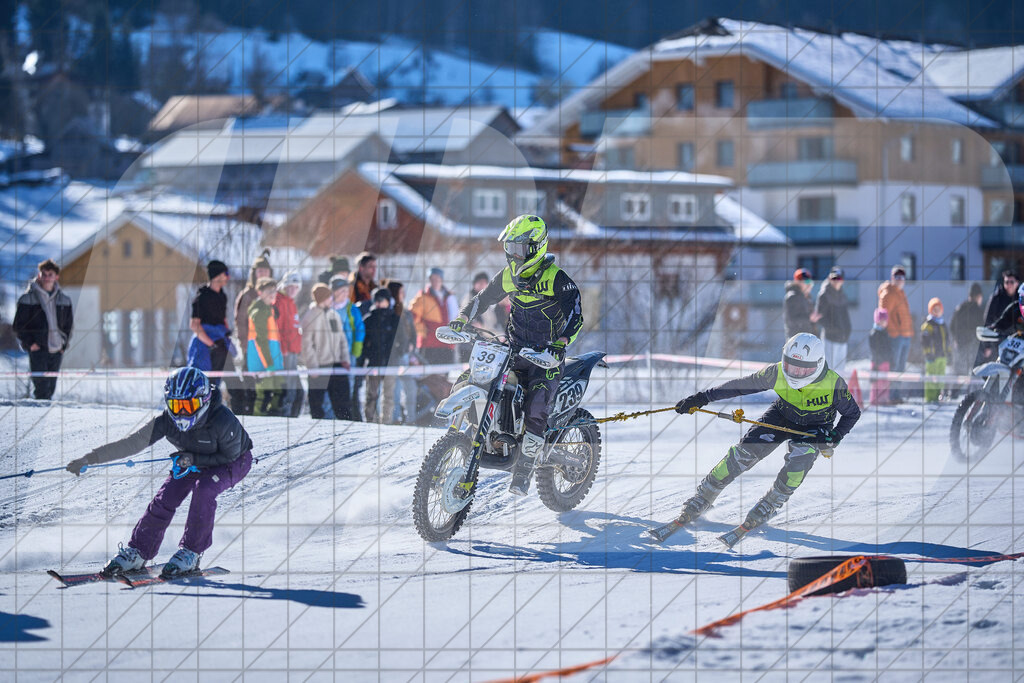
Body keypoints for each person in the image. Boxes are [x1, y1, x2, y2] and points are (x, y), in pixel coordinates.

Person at [64, 367, 253, 578]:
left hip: (234, 461)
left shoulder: (221, 420)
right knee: (166, 496)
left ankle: (191, 552)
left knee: (205, 489)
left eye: (188, 405)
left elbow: (230, 456)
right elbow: (132, 443)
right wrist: (90, 458)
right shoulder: (166, 421)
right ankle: (138, 551)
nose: (181, 412)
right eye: (176, 405)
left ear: (203, 400)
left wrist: (193, 459)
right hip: (193, 457)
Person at [449, 214, 584, 496]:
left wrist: (560, 342)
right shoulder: (509, 275)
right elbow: (483, 299)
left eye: (518, 249)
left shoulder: (557, 279)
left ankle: (523, 471)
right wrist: (462, 318)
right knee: (472, 377)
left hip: (545, 356)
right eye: (509, 248)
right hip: (513, 347)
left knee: (536, 407)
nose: (512, 254)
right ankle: (460, 436)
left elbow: (576, 315)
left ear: (536, 248)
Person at [672, 333, 861, 531]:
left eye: (803, 369)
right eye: (790, 366)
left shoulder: (834, 384)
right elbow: (740, 386)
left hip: (816, 426)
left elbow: (852, 414)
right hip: (781, 415)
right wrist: (702, 398)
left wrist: (836, 435)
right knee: (743, 454)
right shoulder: (776, 373)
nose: (795, 373)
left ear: (819, 364)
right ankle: (704, 496)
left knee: (800, 461)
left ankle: (771, 502)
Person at [13, 258, 73, 400]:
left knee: (50, 389)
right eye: (43, 274)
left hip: (56, 349)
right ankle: (38, 419)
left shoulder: (64, 300)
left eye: (50, 274)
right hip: (38, 349)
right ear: (39, 275)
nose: (46, 278)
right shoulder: (27, 299)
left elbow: (68, 325)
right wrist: (30, 344)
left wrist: (63, 345)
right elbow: (18, 326)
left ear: (56, 277)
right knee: (41, 391)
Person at [300, 283, 351, 420]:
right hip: (320, 366)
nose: (331, 300)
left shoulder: (333, 315)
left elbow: (341, 339)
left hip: (336, 365)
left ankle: (346, 427)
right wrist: (313, 367)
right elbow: (306, 345)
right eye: (329, 297)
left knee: (342, 402)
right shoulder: (310, 317)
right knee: (317, 404)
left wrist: (345, 359)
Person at [232, 250, 273, 415]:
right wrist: (245, 346)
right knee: (251, 389)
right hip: (251, 348)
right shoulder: (248, 295)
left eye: (265, 271)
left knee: (268, 389)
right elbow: (240, 322)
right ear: (254, 274)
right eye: (259, 271)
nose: (262, 273)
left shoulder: (272, 293)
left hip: (268, 348)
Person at [187, 260, 233, 376]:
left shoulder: (223, 296)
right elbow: (194, 325)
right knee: (203, 379)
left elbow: (223, 320)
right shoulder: (202, 296)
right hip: (204, 344)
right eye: (225, 274)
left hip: (221, 342)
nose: (228, 277)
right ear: (217, 276)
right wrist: (212, 345)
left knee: (230, 375)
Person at [361, 287, 399, 423]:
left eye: (381, 300)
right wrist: (365, 357)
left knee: (388, 395)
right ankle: (370, 421)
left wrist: (397, 356)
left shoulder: (395, 319)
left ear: (388, 301)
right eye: (376, 300)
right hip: (374, 363)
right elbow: (364, 343)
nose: (378, 303)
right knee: (371, 395)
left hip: (391, 363)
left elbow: (402, 342)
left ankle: (386, 423)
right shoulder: (369, 320)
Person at [247, 277, 284, 416]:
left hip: (273, 362)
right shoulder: (259, 312)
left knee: (279, 394)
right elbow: (261, 341)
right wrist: (269, 364)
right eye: (269, 291)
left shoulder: (269, 310)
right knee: (264, 397)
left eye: (274, 291)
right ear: (260, 292)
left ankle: (274, 421)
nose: (272, 294)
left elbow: (273, 341)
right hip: (263, 364)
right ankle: (260, 423)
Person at [409, 267, 459, 365]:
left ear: (442, 279)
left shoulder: (449, 297)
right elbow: (411, 318)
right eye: (432, 278)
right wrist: (423, 331)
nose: (435, 281)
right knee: (428, 377)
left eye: (437, 278)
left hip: (447, 343)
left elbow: (456, 316)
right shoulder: (422, 296)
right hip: (429, 344)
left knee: (444, 376)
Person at [385, 280, 418, 424]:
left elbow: (412, 332)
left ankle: (411, 419)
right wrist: (400, 348)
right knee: (395, 390)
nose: (403, 294)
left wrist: (412, 346)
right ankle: (395, 419)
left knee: (411, 388)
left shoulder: (406, 311)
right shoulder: (390, 311)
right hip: (394, 357)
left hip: (406, 355)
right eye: (400, 292)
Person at [331, 275, 364, 420]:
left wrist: (357, 347)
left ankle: (347, 412)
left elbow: (359, 328)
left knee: (348, 384)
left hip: (349, 352)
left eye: (346, 290)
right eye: (341, 290)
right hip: (331, 353)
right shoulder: (328, 306)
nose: (344, 293)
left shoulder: (352, 308)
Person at [878, 266, 913, 401]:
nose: (900, 280)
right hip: (896, 336)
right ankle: (892, 395)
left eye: (902, 277)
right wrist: (894, 330)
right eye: (897, 277)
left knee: (901, 367)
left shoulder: (901, 293)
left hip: (905, 335)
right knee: (895, 366)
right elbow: (883, 316)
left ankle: (896, 394)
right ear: (892, 278)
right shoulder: (889, 293)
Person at [275, 272, 304, 417]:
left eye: (296, 287)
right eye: (290, 286)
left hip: (293, 352)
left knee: (298, 391)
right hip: (285, 354)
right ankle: (285, 419)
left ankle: (293, 419)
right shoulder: (279, 301)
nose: (293, 290)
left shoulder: (291, 303)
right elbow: (276, 328)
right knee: (289, 391)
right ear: (285, 286)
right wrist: (283, 349)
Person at [814, 267, 851, 376]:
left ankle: (837, 393)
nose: (836, 281)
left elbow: (846, 316)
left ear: (842, 280)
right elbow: (819, 317)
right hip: (830, 338)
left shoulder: (842, 295)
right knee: (829, 369)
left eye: (838, 278)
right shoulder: (824, 294)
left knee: (840, 371)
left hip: (842, 338)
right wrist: (833, 329)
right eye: (833, 278)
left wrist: (847, 331)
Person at [949, 283, 984, 395]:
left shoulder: (960, 307)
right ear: (978, 296)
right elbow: (981, 329)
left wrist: (956, 339)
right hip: (973, 345)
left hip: (960, 344)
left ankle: (953, 393)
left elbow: (952, 326)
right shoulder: (978, 311)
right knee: (974, 372)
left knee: (959, 371)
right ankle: (972, 394)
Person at [978, 270, 1020, 365]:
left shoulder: (1020, 299)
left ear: (1017, 283)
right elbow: (988, 321)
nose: (1009, 285)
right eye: (1006, 282)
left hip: (1017, 342)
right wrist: (987, 345)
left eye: (1011, 282)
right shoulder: (996, 298)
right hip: (998, 341)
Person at [920, 298, 949, 403]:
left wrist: (948, 352)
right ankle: (930, 397)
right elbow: (925, 341)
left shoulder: (943, 324)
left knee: (940, 377)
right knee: (931, 377)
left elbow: (947, 340)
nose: (937, 311)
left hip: (942, 356)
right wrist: (928, 353)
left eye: (938, 309)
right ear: (930, 311)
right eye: (934, 309)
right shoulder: (928, 325)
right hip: (932, 357)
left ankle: (938, 396)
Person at [783, 269, 821, 340]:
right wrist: (809, 318)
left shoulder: (806, 297)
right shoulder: (792, 297)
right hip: (796, 339)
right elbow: (792, 320)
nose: (809, 285)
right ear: (797, 282)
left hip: (806, 338)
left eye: (810, 282)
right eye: (806, 281)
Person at [869, 308, 893, 406]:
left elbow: (888, 347)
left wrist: (890, 358)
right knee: (877, 382)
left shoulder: (885, 332)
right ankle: (875, 399)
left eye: (885, 321)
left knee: (885, 381)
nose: (884, 323)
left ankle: (884, 399)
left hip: (885, 362)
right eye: (882, 321)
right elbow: (874, 349)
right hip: (877, 362)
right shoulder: (874, 333)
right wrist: (877, 361)